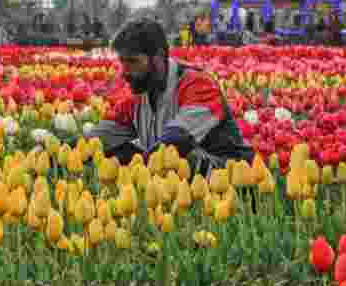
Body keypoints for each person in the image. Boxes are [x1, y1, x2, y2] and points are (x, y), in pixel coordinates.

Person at [85, 18, 253, 175]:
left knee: (177, 158)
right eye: (122, 62)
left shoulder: (197, 84)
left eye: (133, 61)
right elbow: (99, 138)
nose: (125, 72)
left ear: (158, 57)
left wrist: (139, 169)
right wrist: (77, 150)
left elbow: (178, 139)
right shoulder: (139, 95)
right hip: (173, 178)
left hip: (228, 175)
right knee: (116, 155)